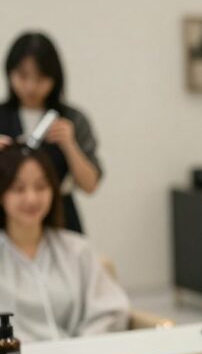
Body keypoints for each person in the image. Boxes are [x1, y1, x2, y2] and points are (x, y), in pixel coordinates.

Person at [0, 145, 128, 341]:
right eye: (18, 189)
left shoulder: (76, 249)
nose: (31, 198)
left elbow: (111, 310)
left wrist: (79, 352)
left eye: (41, 187)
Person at [0, 32, 102, 233]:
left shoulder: (72, 119)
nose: (31, 86)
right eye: (22, 76)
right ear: (9, 73)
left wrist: (70, 145)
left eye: (41, 78)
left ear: (55, 78)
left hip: (60, 220)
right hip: (7, 224)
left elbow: (90, 185)